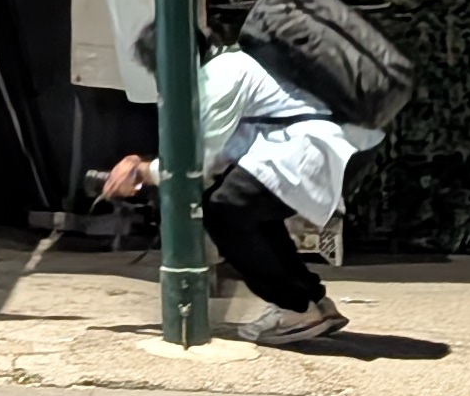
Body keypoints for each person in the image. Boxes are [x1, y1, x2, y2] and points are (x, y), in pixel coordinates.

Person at [98, 21, 381, 347]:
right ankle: (311, 302)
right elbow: (220, 155)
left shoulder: (217, 77)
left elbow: (195, 164)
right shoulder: (232, 64)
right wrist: (149, 169)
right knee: (247, 208)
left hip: (321, 146)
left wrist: (141, 171)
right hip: (331, 142)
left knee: (224, 209)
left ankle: (296, 308)